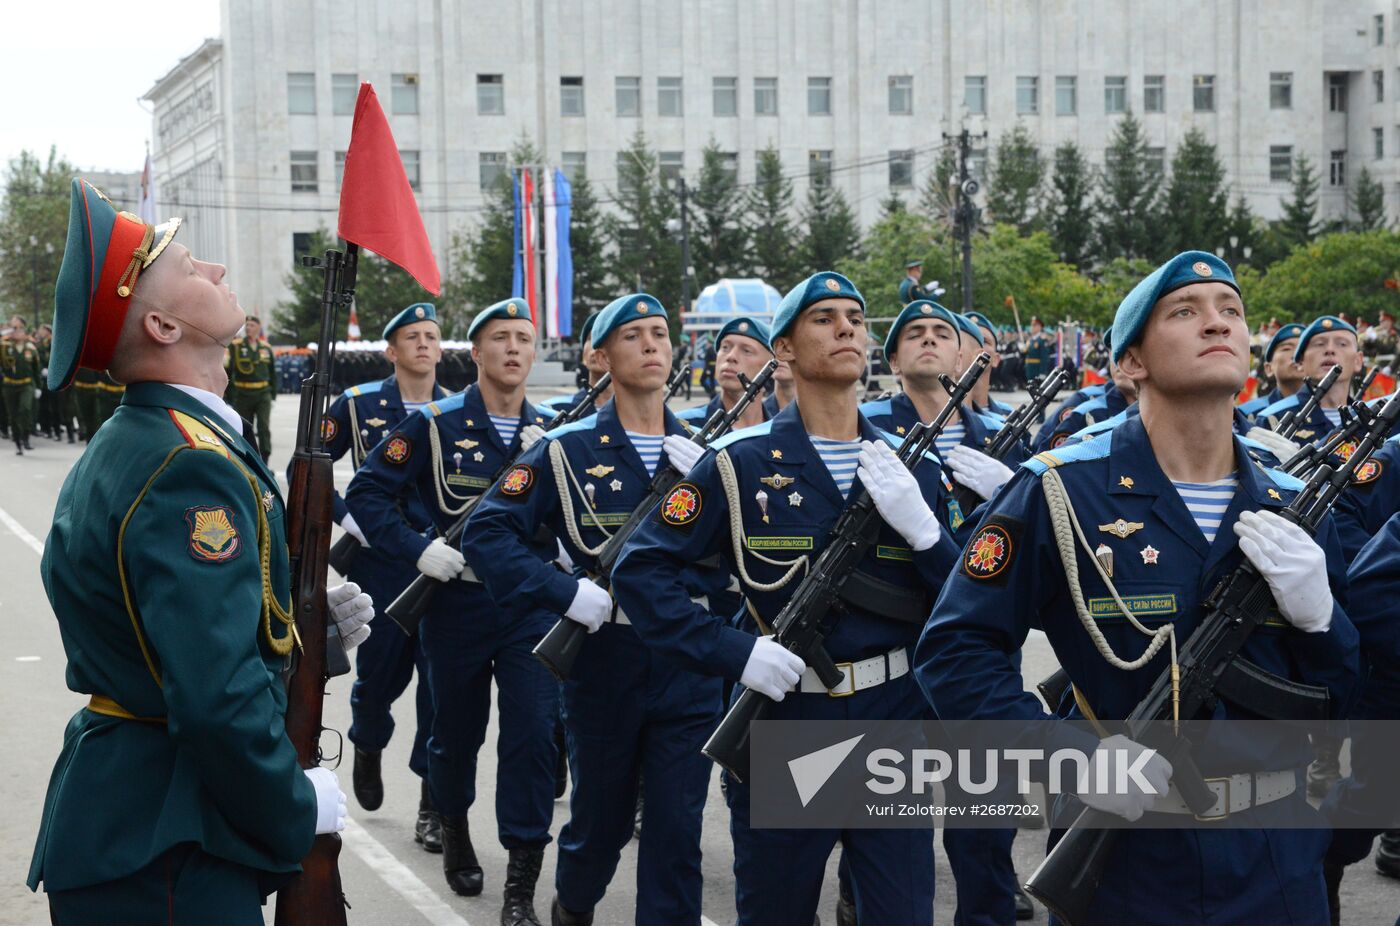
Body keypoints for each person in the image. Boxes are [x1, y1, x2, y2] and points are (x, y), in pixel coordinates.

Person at [915, 251, 1360, 925]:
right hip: (1128, 857)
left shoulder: (1293, 504)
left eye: (1231, 310)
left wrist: (1324, 623)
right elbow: (955, 650)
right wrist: (1071, 761)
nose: (1218, 323)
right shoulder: (1061, 489)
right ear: (1130, 361)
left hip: (1276, 852)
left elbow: (1346, 695)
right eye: (1186, 311)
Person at [28, 178, 373, 924]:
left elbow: (172, 636)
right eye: (189, 267)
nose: (214, 269)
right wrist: (294, 803)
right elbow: (214, 696)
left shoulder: (156, 441)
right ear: (161, 325)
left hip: (146, 827)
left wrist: (295, 629)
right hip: (164, 842)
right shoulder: (189, 466)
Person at [611, 272, 965, 926]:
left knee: (904, 912)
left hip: (892, 719)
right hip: (789, 720)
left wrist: (928, 536)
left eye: (855, 317)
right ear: (785, 350)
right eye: (824, 319)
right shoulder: (738, 462)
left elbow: (969, 601)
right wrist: (735, 652)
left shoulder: (909, 466)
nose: (846, 328)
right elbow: (640, 571)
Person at [466, 293, 719, 926]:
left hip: (688, 660)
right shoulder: (565, 448)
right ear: (599, 357)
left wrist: (714, 490)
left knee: (676, 831)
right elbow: (487, 534)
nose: (652, 344)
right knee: (600, 825)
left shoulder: (707, 454)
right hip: (605, 656)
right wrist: (564, 592)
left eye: (660, 333)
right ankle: (572, 905)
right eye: (633, 335)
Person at [346, 297, 558, 925]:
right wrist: (416, 549)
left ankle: (521, 882)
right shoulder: (435, 424)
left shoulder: (552, 431)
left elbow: (579, 526)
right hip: (456, 603)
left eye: (524, 338)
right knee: (456, 732)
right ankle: (455, 826)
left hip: (527, 607)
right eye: (501, 337)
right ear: (477, 352)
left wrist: (551, 467)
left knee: (533, 738)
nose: (514, 348)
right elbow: (367, 491)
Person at [317, 302, 451, 853]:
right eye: (411, 337)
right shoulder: (358, 404)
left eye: (431, 336)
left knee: (440, 693)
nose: (423, 344)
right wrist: (350, 520)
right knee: (378, 682)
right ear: (391, 351)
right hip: (381, 564)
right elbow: (311, 465)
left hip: (442, 567)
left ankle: (431, 805)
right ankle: (368, 743)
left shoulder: (458, 411)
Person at [861, 301, 1026, 526]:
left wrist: (1012, 493)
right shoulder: (867, 425)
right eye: (914, 335)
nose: (929, 339)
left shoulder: (1000, 434)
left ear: (959, 362)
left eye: (942, 335)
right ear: (894, 362)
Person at [1258, 316, 1365, 443]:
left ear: (1358, 361)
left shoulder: (1371, 418)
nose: (1329, 350)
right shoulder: (1273, 418)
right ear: (1300, 362)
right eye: (1319, 344)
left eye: (1342, 344)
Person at [677, 316, 772, 430]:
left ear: (770, 366)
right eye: (725, 347)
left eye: (747, 351)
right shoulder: (683, 426)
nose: (731, 356)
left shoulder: (780, 432)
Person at [224, 314, 278, 461]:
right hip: (243, 394)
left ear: (258, 328)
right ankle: (246, 459)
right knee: (243, 427)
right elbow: (228, 370)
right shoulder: (236, 346)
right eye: (247, 325)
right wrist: (229, 395)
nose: (248, 328)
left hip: (263, 393)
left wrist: (273, 395)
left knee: (264, 427)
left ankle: (264, 460)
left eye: (252, 325)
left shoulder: (266, 348)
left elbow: (272, 373)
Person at [540, 312, 611, 415]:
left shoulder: (634, 412)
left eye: (605, 338)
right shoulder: (553, 410)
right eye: (591, 338)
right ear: (583, 356)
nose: (596, 347)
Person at [1237, 322, 1305, 421]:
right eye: (1287, 349)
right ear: (1268, 368)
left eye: (1302, 349)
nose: (1296, 355)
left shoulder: (1327, 408)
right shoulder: (1249, 414)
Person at [1, 315, 40, 454]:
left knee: (25, 409)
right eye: (15, 329)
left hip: (26, 385)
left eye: (20, 329)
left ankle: (26, 437)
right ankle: (18, 442)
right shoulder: (5, 346)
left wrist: (38, 387)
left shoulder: (30, 347)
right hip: (9, 385)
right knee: (12, 415)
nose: (17, 332)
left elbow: (36, 370)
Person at [965, 311, 1015, 416]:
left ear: (996, 359)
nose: (977, 345)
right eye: (968, 339)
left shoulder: (1008, 416)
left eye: (984, 341)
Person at [1022, 316, 1054, 384]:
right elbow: (1026, 354)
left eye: (1034, 325)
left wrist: (1042, 372)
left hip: (1037, 370)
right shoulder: (1030, 340)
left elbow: (1044, 357)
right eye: (1031, 325)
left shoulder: (1042, 340)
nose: (1032, 327)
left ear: (1039, 327)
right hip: (1029, 369)